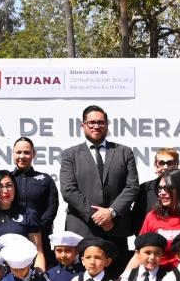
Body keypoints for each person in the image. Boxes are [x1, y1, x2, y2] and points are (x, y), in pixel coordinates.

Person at [58, 106, 139, 272]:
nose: (96, 126)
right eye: (91, 122)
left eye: (101, 122)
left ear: (107, 125)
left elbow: (132, 187)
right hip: (82, 229)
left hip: (115, 229)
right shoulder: (69, 155)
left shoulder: (124, 152)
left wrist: (111, 212)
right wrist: (97, 216)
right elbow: (68, 190)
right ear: (83, 126)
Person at [0, 170, 46, 268]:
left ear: (15, 188)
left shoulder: (29, 214)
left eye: (9, 185)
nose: (5, 190)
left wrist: (39, 276)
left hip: (22, 274)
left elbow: (38, 252)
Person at [125, 148, 180, 236]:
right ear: (155, 165)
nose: (165, 167)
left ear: (177, 165)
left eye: (170, 163)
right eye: (161, 163)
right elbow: (138, 222)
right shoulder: (144, 188)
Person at [137, 169, 180, 266]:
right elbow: (140, 253)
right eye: (160, 188)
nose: (161, 193)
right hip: (160, 276)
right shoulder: (153, 216)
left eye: (167, 188)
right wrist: (124, 278)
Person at [10, 138, 59, 249]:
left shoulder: (45, 179)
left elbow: (52, 207)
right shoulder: (6, 179)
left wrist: (37, 228)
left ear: (34, 154)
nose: (22, 156)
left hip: (40, 237)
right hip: (12, 236)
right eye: (18, 152)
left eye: (27, 152)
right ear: (13, 153)